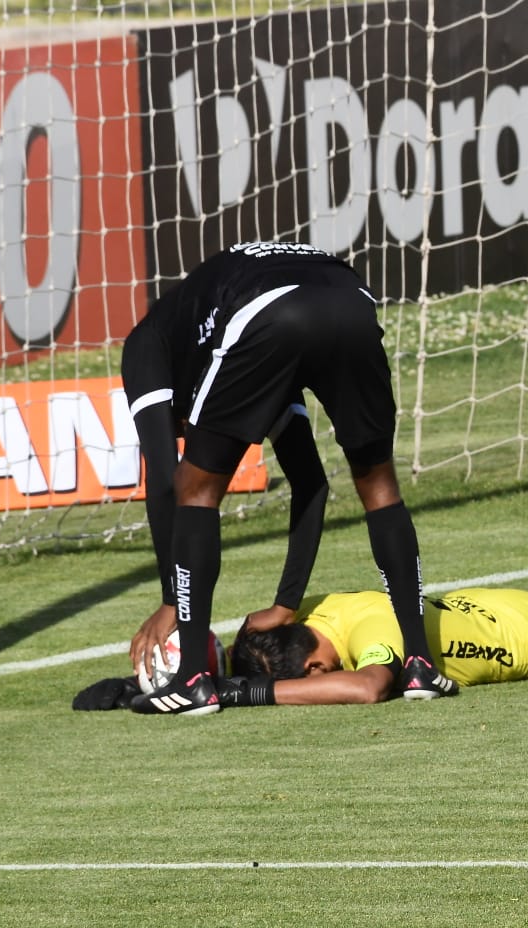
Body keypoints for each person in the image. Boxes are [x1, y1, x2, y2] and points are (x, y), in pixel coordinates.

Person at [124, 241, 455, 715]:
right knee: (379, 486)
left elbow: (164, 478)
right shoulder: (212, 331)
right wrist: (285, 604)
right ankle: (421, 663)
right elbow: (309, 480)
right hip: (352, 300)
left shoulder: (145, 344)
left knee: (196, 488)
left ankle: (193, 678)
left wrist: (171, 602)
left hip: (265, 309)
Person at [72, 587, 528, 709]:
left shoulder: (369, 639)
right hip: (510, 604)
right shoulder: (321, 611)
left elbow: (369, 686)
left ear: (314, 665)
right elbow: (255, 639)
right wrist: (145, 686)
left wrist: (240, 694)